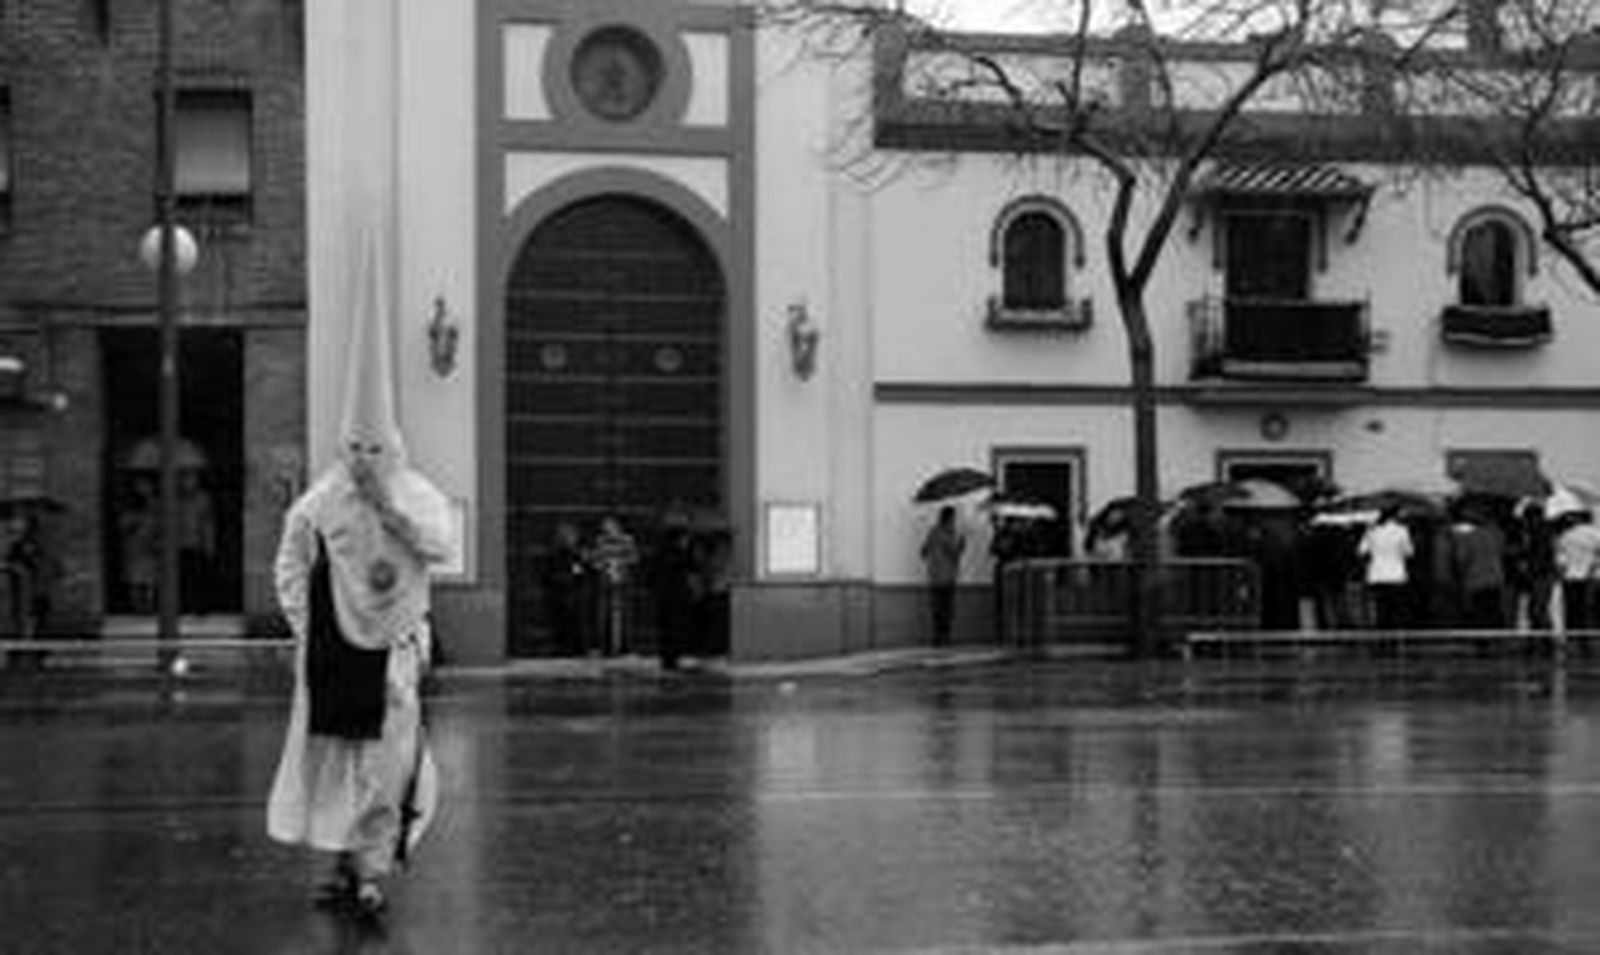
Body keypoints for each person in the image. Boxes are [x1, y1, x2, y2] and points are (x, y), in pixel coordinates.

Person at [266, 239, 455, 919]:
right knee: (338, 759)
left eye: (377, 448)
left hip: (395, 651)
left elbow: (440, 543)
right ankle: (345, 863)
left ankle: (373, 872)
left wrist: (388, 506)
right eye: (358, 449)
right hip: (333, 653)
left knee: (388, 765)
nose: (367, 459)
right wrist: (305, 622)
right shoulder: (318, 502)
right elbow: (289, 562)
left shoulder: (417, 492)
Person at [651, 507, 697, 671]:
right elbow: (691, 568)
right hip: (676, 596)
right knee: (675, 628)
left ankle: (667, 658)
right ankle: (672, 658)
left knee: (666, 629)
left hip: (663, 595)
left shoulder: (660, 550)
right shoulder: (680, 553)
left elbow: (652, 572)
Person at [588, 515, 639, 657]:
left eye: (609, 525)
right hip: (605, 580)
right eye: (605, 525)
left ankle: (626, 647)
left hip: (622, 580)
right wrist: (602, 564)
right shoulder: (600, 541)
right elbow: (594, 560)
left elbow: (634, 558)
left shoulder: (627, 540)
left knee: (625, 615)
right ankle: (602, 646)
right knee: (602, 614)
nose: (606, 528)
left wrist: (619, 562)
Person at [1358, 506, 1414, 631]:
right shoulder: (1402, 531)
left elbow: (1361, 551)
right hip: (1397, 575)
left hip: (1377, 574)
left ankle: (1382, 640)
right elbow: (1409, 552)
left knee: (1381, 610)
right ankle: (1396, 639)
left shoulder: (1372, 531)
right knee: (1396, 610)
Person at [542, 521, 590, 657]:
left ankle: (576, 648)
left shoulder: (579, 552)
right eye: (567, 536)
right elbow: (548, 574)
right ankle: (564, 648)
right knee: (562, 622)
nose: (570, 539)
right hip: (561, 592)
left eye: (572, 536)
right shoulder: (556, 553)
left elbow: (586, 570)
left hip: (575, 592)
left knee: (575, 622)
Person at [919, 505, 966, 647]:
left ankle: (937, 638)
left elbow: (923, 552)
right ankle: (944, 638)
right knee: (946, 609)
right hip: (947, 577)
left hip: (934, 577)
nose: (954, 521)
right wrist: (962, 544)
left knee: (937, 609)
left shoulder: (933, 532)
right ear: (949, 518)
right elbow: (953, 553)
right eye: (953, 518)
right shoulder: (947, 533)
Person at [1555, 511, 1600, 635]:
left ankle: (1574, 642)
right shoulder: (1597, 534)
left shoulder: (1566, 535)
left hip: (1570, 578)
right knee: (1591, 613)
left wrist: (1562, 574)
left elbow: (1560, 561)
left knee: (1572, 613)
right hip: (1592, 578)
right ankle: (1592, 643)